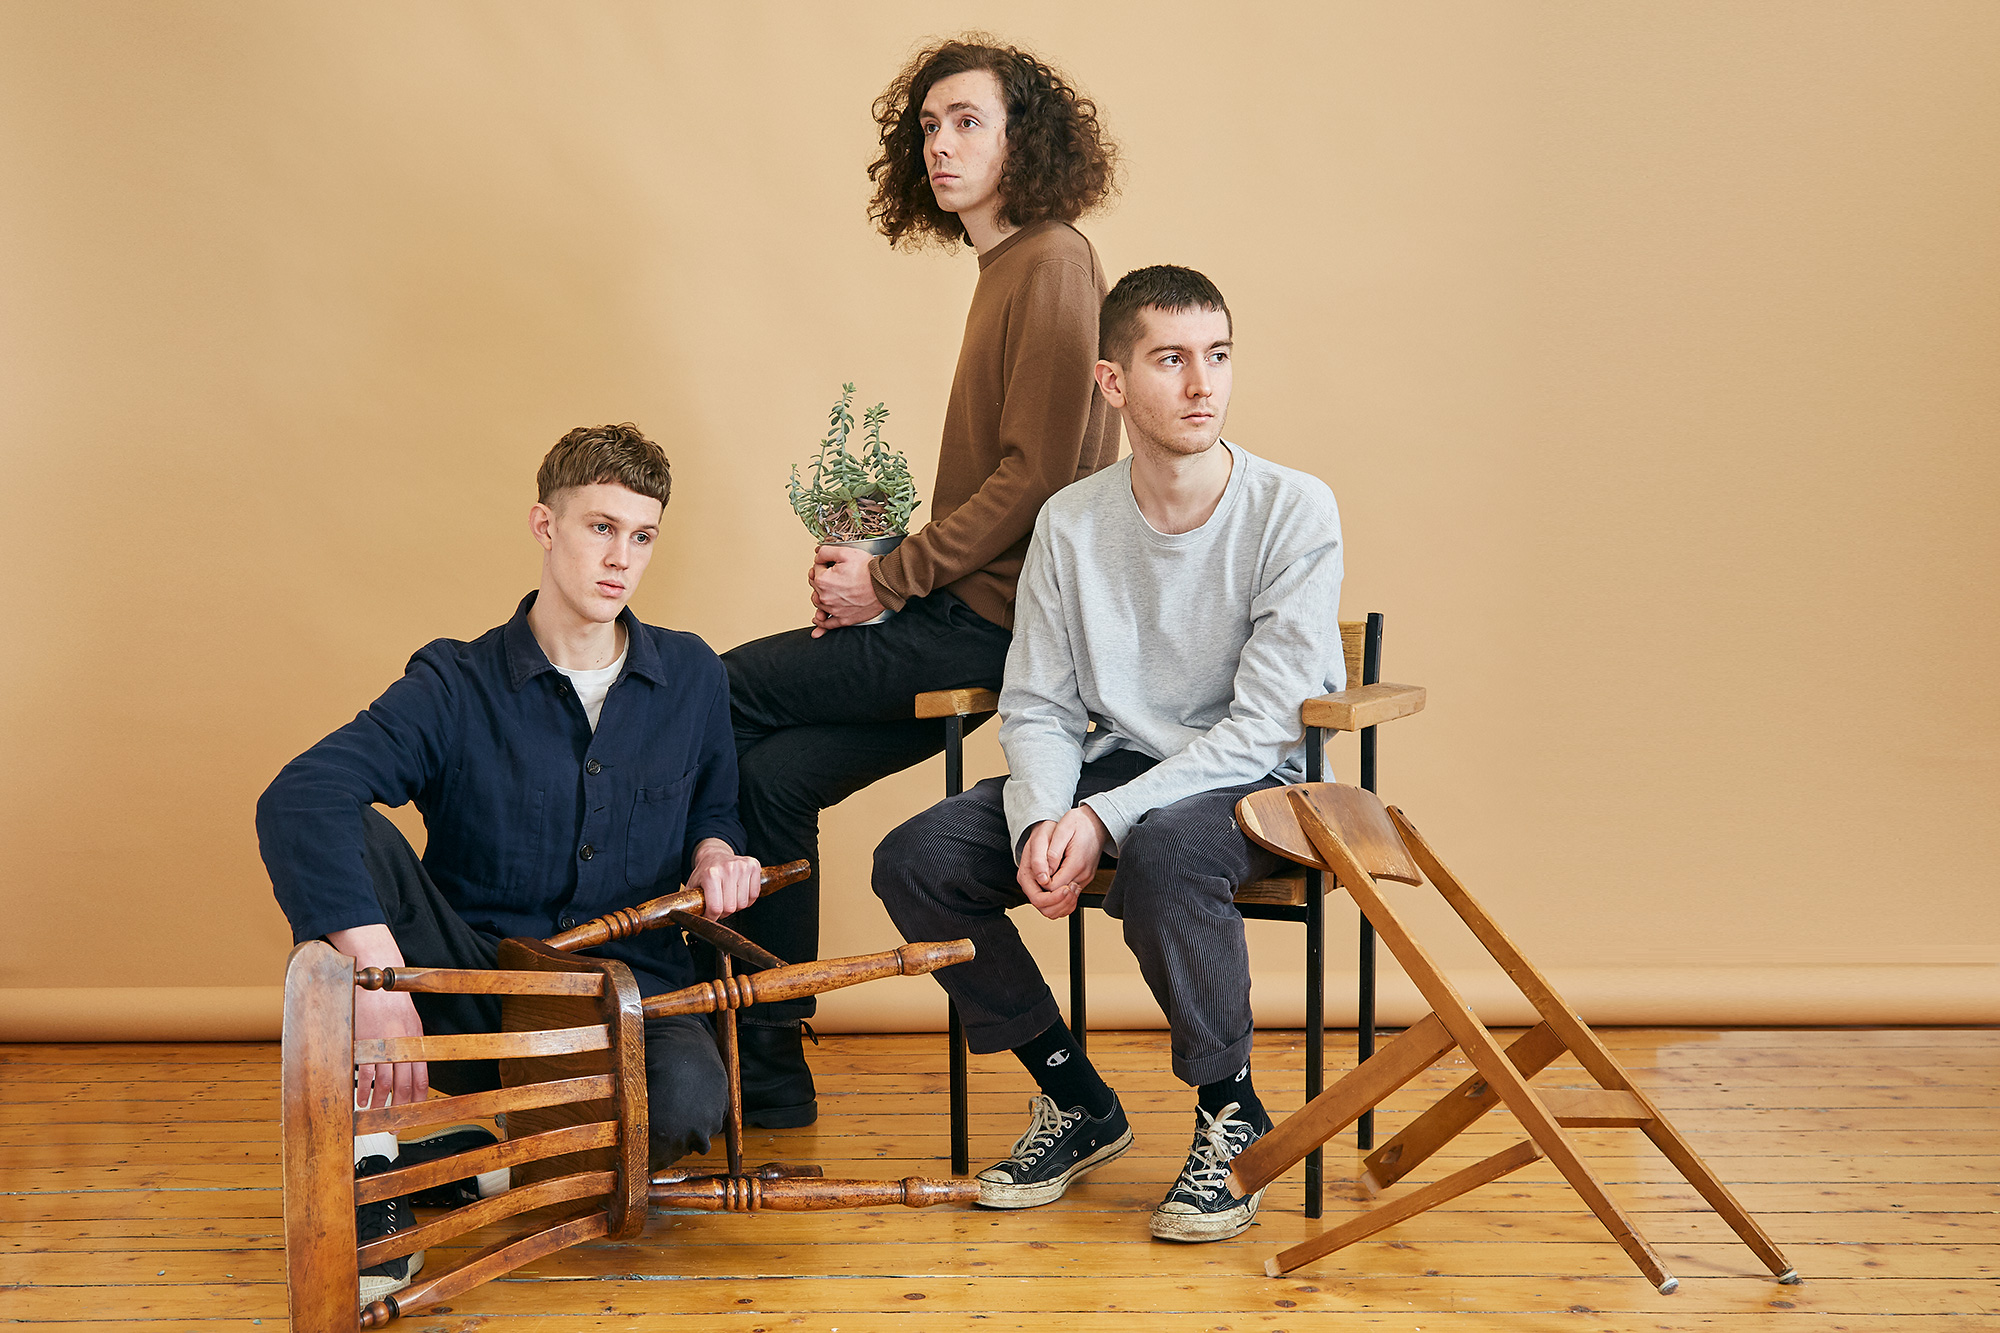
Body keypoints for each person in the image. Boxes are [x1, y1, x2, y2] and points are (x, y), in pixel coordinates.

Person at [872, 266, 1346, 1241]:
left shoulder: (1292, 508)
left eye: (1217, 355)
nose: (1201, 384)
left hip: (1256, 784)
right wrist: (1043, 820)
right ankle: (1074, 1097)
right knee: (916, 858)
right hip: (1115, 772)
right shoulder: (1070, 523)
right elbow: (1040, 703)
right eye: (1170, 360)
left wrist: (1100, 818)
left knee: (1166, 849)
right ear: (1112, 382)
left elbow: (1264, 726)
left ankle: (1232, 1111)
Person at [256, 424, 764, 1305]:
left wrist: (718, 853)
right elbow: (299, 796)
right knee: (348, 834)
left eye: (642, 536)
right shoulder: (454, 681)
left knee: (688, 1097)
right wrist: (379, 977)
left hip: (621, 1001)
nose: (622, 558)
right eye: (600, 527)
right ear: (544, 525)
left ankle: (474, 1163)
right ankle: (375, 1165)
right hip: (463, 986)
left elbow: (715, 813)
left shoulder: (692, 674)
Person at [720, 36, 1122, 1126]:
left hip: (982, 629)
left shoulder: (1052, 260)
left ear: (1024, 139)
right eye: (929, 126)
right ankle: (769, 1069)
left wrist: (889, 579)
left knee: (710, 690)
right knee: (771, 782)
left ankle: (668, 1000)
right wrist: (877, 562)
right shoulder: (1006, 268)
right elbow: (1008, 481)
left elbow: (1037, 480)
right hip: (955, 610)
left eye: (968, 122)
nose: (941, 144)